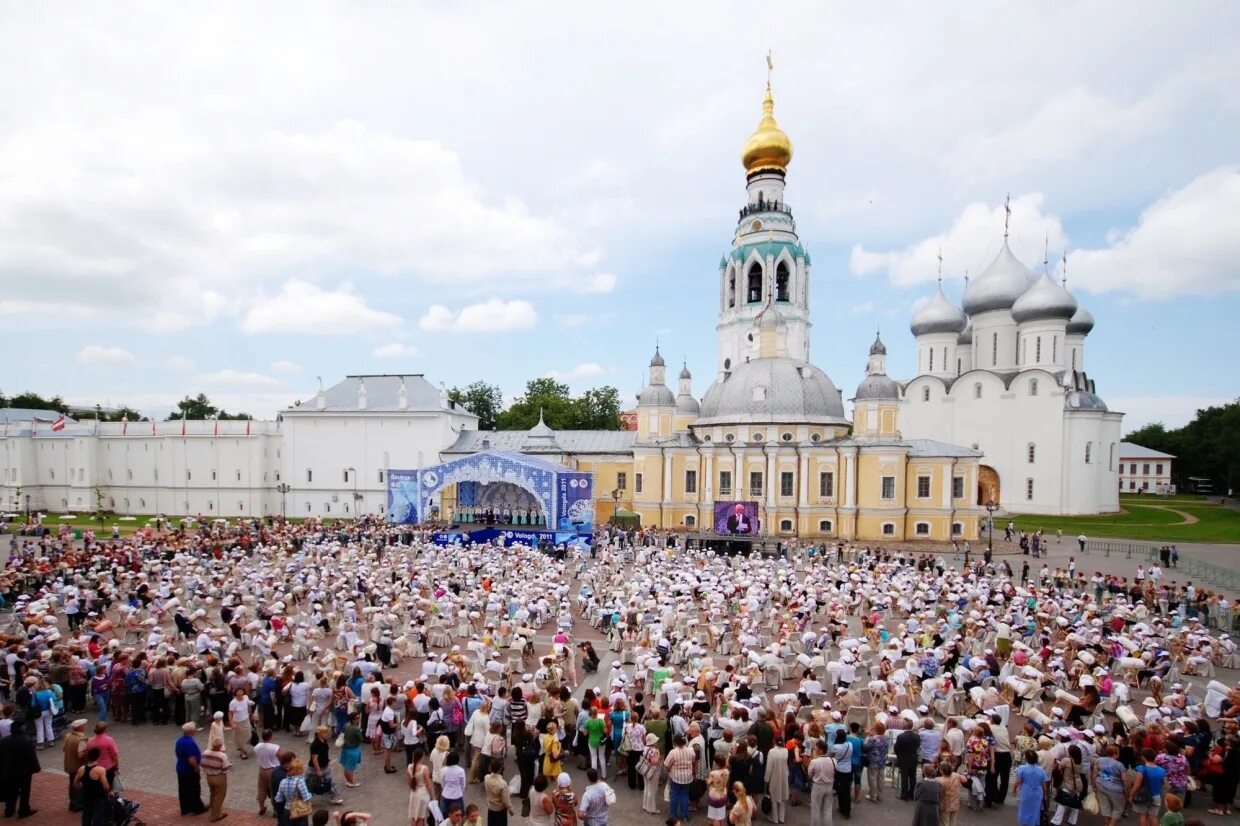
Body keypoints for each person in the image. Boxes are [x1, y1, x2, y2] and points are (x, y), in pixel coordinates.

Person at [0, 726, 40, 819]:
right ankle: (23, 810)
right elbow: (32, 756)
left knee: (10, 790)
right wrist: (36, 768)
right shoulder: (26, 740)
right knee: (25, 791)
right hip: (24, 772)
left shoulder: (4, 740)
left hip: (9, 771)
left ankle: (9, 810)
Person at [174, 721, 209, 816]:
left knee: (183, 789)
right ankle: (197, 807)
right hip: (189, 770)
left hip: (180, 767)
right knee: (194, 788)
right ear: (190, 731)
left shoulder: (180, 740)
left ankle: (185, 808)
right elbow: (191, 758)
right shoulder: (189, 743)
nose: (195, 731)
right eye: (194, 730)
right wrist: (196, 768)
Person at [75, 745, 112, 826]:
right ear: (98, 757)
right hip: (98, 797)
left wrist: (84, 788)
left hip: (86, 796)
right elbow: (106, 787)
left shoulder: (81, 769)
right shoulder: (100, 770)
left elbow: (75, 784)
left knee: (86, 814)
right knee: (98, 816)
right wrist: (107, 793)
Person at [309, 725, 346, 805]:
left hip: (325, 766)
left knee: (329, 781)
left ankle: (333, 797)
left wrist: (327, 760)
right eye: (325, 733)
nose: (327, 734)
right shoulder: (315, 745)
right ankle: (306, 799)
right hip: (315, 768)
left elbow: (324, 752)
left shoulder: (324, 741)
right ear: (320, 734)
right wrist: (318, 770)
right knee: (310, 783)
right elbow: (314, 759)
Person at [1091, 744, 1127, 826]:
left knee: (1105, 807)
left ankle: (1106, 824)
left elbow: (1095, 774)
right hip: (1116, 789)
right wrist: (1126, 791)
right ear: (1114, 754)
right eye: (1118, 752)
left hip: (1101, 785)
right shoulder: (1119, 765)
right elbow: (1125, 780)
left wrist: (1093, 785)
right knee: (1117, 809)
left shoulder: (1099, 760)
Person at [1129, 748, 1166, 826]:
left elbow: (1137, 784)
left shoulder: (1141, 768)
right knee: (1154, 816)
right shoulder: (1161, 770)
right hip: (1156, 795)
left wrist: (1131, 794)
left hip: (1143, 795)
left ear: (1143, 757)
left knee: (1143, 815)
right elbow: (1166, 784)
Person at [1012, 750, 1048, 826]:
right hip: (1038, 792)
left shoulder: (1022, 768)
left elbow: (1018, 781)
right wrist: (1045, 794)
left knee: (1024, 809)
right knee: (1035, 810)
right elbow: (1043, 783)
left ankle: (1024, 823)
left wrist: (1014, 789)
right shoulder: (1041, 770)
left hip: (1026, 791)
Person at [201, 736, 233, 822]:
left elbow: (202, 764)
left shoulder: (205, 753)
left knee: (213, 793)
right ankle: (215, 815)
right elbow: (225, 769)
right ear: (220, 746)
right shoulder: (222, 756)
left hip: (209, 777)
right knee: (219, 796)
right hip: (219, 777)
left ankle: (212, 809)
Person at [666, 733, 696, 821]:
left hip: (675, 777)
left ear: (675, 742)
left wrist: (670, 770)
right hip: (687, 777)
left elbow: (667, 765)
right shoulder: (691, 751)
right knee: (685, 795)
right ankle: (685, 815)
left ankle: (673, 815)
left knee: (674, 795)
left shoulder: (673, 752)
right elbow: (693, 762)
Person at [276, 758, 314, 826]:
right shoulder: (300, 781)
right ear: (299, 770)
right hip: (299, 811)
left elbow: (279, 799)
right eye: (301, 769)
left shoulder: (283, 781)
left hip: (287, 810)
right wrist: (310, 794)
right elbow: (306, 797)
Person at [808, 739, 835, 826]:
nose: (815, 748)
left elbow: (809, 774)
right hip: (829, 785)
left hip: (818, 786)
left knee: (816, 809)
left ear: (820, 749)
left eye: (816, 746)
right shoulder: (833, 761)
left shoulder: (814, 762)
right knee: (827, 809)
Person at [255, 729, 282, 816]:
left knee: (261, 789)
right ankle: (275, 810)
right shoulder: (275, 747)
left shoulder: (258, 746)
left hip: (262, 770)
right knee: (274, 790)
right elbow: (281, 758)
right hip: (273, 771)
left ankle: (262, 807)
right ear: (271, 737)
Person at [64, 717, 88, 812]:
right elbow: (80, 755)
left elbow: (64, 748)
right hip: (78, 766)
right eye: (83, 725)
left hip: (69, 764)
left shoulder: (68, 736)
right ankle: (78, 804)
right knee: (78, 784)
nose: (85, 726)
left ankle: (72, 802)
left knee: (72, 783)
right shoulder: (82, 739)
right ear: (80, 727)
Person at [765, 737, 791, 824]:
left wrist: (766, 779)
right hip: (784, 776)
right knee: (783, 797)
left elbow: (769, 768)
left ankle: (775, 818)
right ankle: (781, 818)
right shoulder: (786, 751)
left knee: (774, 798)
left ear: (774, 741)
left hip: (774, 776)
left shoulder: (771, 752)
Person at [483, 758, 513, 826]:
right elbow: (506, 801)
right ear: (500, 769)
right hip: (500, 811)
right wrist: (511, 810)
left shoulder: (486, 778)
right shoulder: (502, 783)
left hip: (491, 808)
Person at [894, 723, 920, 801]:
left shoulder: (901, 736)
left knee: (904, 777)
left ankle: (904, 795)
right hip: (913, 758)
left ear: (905, 726)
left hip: (903, 758)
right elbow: (918, 746)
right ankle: (912, 794)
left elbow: (896, 748)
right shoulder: (917, 736)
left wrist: (899, 754)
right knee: (913, 777)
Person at [339, 711, 365, 788]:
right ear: (353, 719)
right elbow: (361, 739)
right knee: (350, 767)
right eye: (357, 718)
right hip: (353, 749)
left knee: (346, 766)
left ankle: (348, 780)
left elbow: (342, 734)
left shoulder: (346, 725)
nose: (359, 719)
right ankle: (350, 782)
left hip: (345, 748)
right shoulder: (356, 729)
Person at [912, 762, 941, 826]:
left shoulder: (921, 783)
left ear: (924, 772)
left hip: (922, 807)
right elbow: (939, 797)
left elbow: (915, 796)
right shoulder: (938, 784)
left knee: (921, 822)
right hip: (933, 808)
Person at [640, 732, 663, 813]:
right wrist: (659, 757)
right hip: (653, 772)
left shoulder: (645, 747)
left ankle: (645, 805)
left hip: (645, 770)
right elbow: (654, 762)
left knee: (646, 788)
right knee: (652, 790)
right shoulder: (654, 750)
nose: (657, 742)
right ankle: (651, 809)